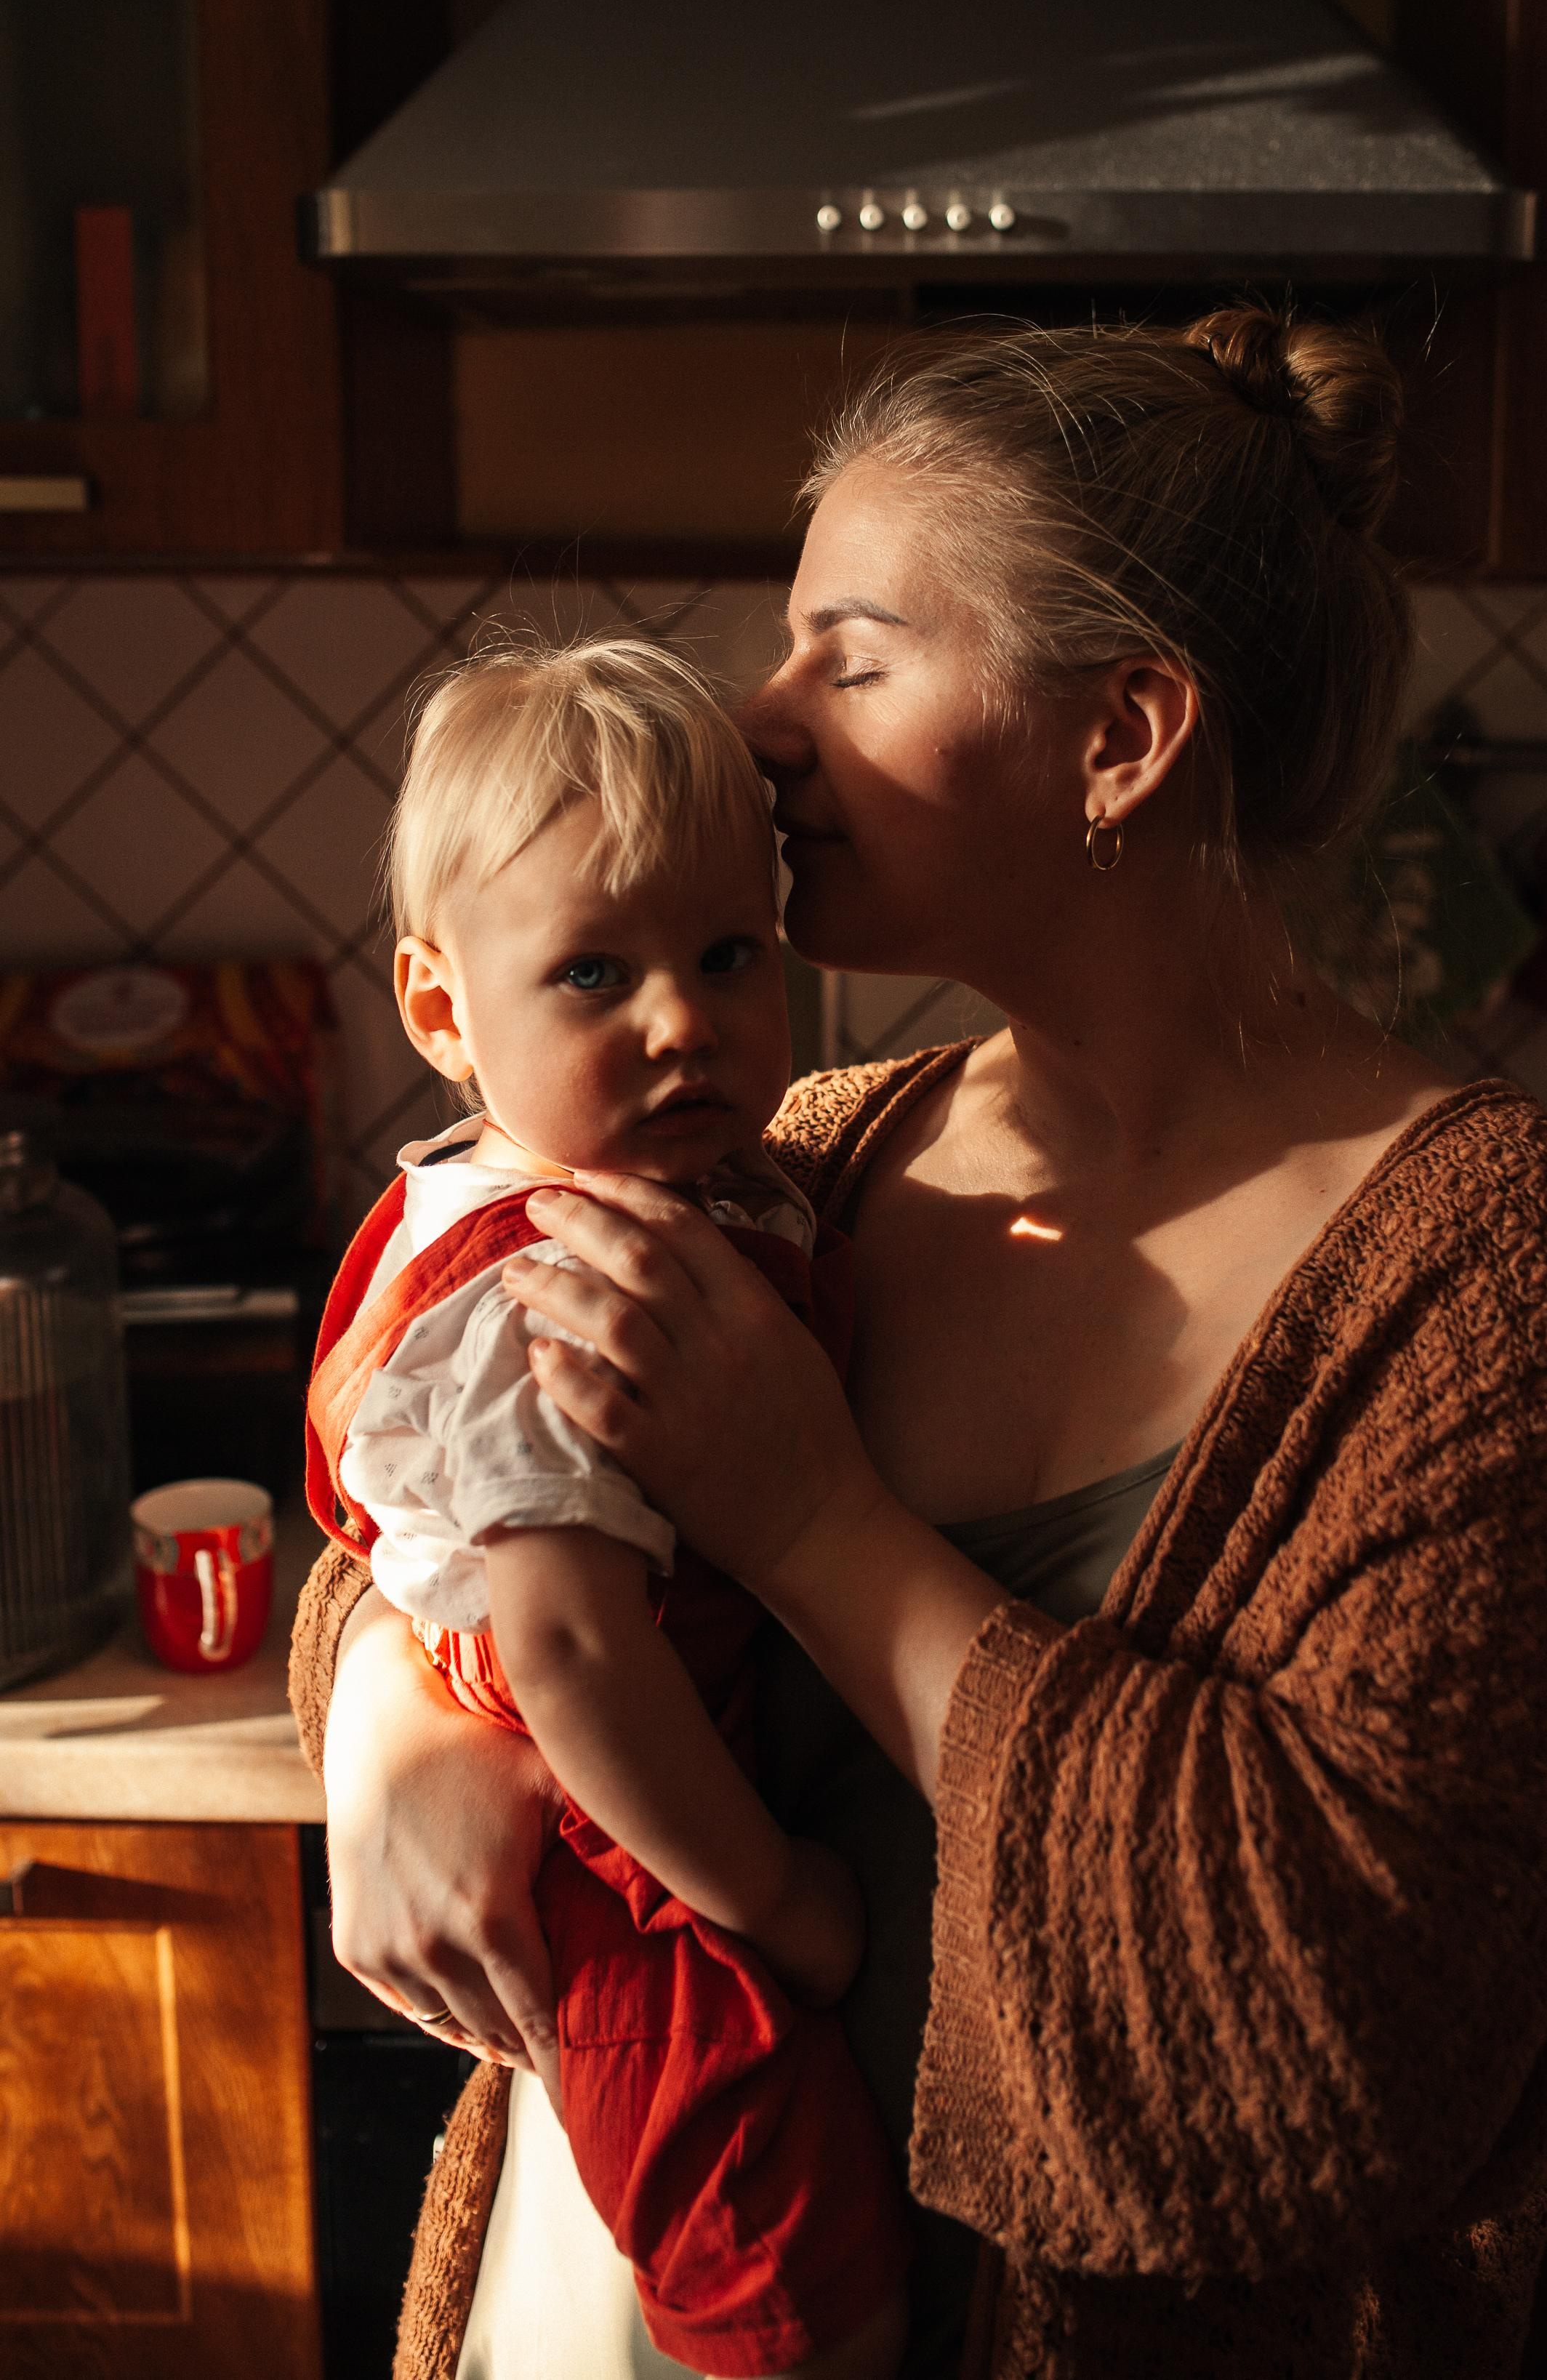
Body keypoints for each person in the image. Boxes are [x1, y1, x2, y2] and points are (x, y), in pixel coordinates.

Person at [292, 307, 1547, 2380]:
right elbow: (432, 1521)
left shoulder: (1493, 1263)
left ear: (1119, 733)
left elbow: (1353, 2032)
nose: (758, 723)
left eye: (846, 655)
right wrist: (394, 1715)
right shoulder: (807, 1156)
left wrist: (820, 1521)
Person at [302, 639, 907, 2380]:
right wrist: (777, 1896)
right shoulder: (555, 1288)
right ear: (439, 1012)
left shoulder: (688, 1187)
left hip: (632, 1817)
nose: (682, 1020)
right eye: (592, 972)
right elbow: (565, 1646)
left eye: (728, 954)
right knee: (793, 2286)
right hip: (627, 1881)